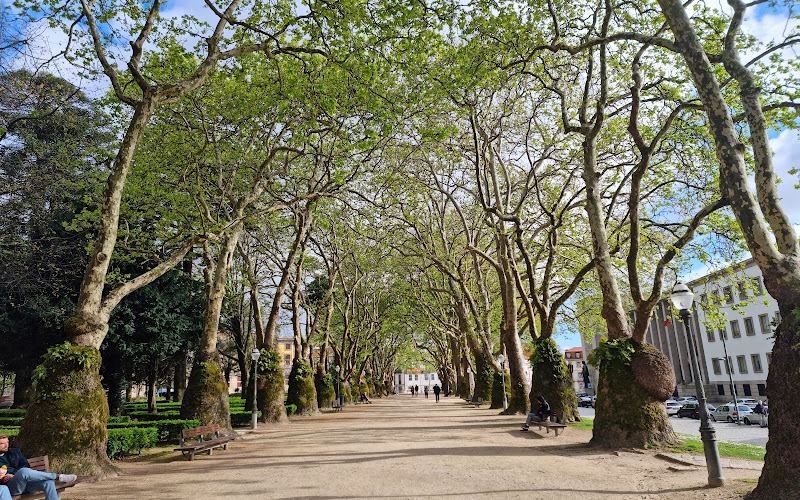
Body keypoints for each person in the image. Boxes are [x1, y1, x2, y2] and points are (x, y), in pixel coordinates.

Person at [0, 434, 76, 500]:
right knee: (24, 471)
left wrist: (13, 475)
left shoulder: (14, 452)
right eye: (2, 443)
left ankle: (55, 478)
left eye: (7, 442)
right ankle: (56, 477)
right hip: (10, 487)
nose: (6, 445)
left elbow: (26, 465)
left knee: (48, 482)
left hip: (24, 483)